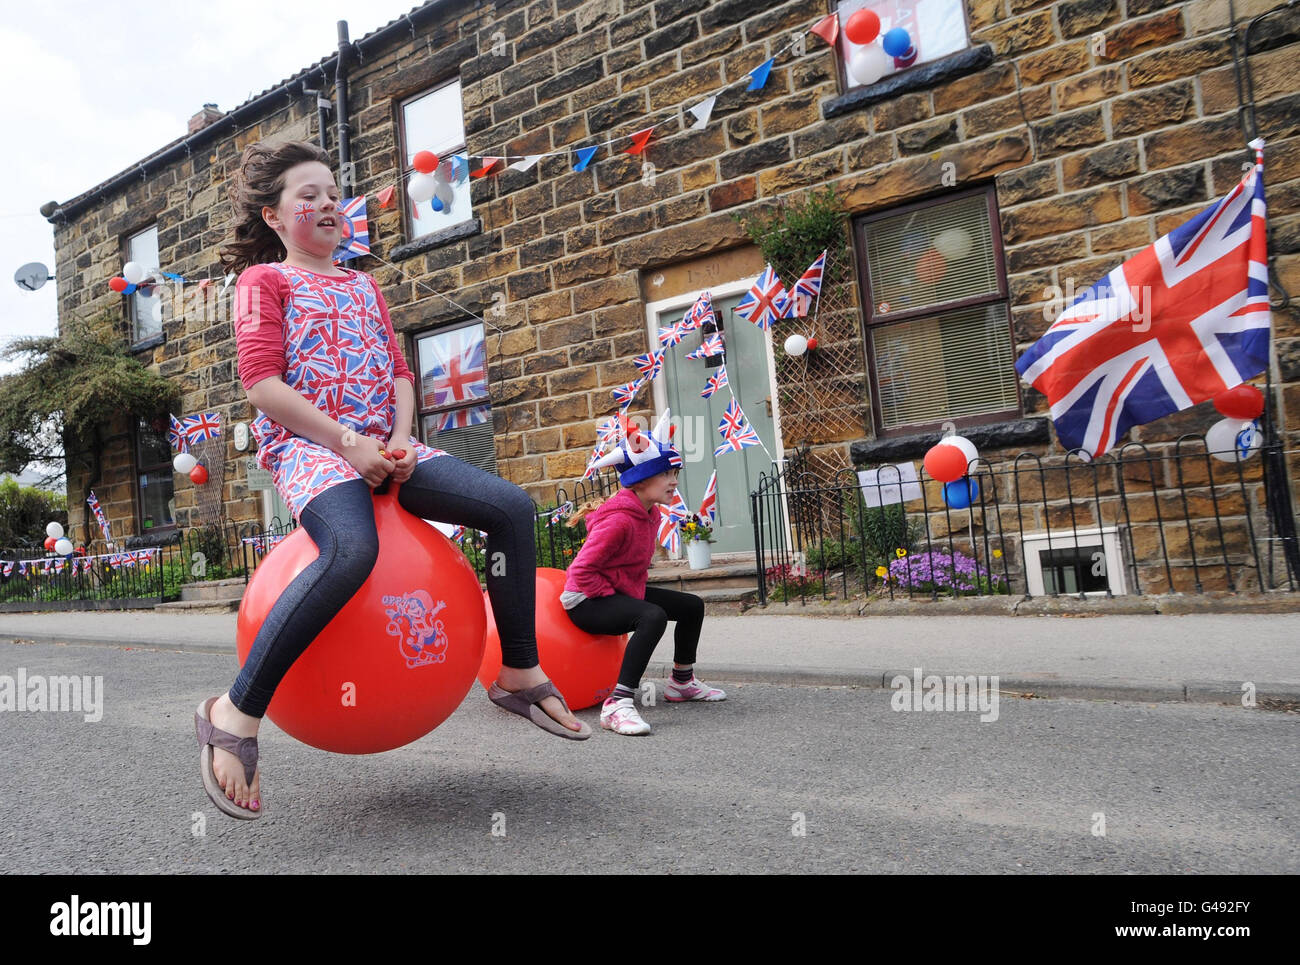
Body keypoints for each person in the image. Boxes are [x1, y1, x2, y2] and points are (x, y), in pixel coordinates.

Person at [197, 140, 589, 822]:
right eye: (307, 195)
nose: (327, 204)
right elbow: (262, 384)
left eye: (332, 192)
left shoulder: (363, 283)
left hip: (390, 445)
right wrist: (349, 445)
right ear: (273, 215)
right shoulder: (263, 284)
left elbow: (401, 374)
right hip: (313, 449)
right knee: (354, 551)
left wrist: (402, 439)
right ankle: (233, 712)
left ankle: (518, 672)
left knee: (511, 509)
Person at [562, 412, 725, 735]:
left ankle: (681, 682)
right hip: (585, 600)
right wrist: (616, 598)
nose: (674, 481)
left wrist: (625, 593)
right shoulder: (619, 519)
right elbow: (580, 572)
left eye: (675, 472)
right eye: (666, 473)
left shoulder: (647, 513)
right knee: (652, 616)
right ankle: (618, 704)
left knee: (691, 606)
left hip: (618, 590)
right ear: (640, 479)